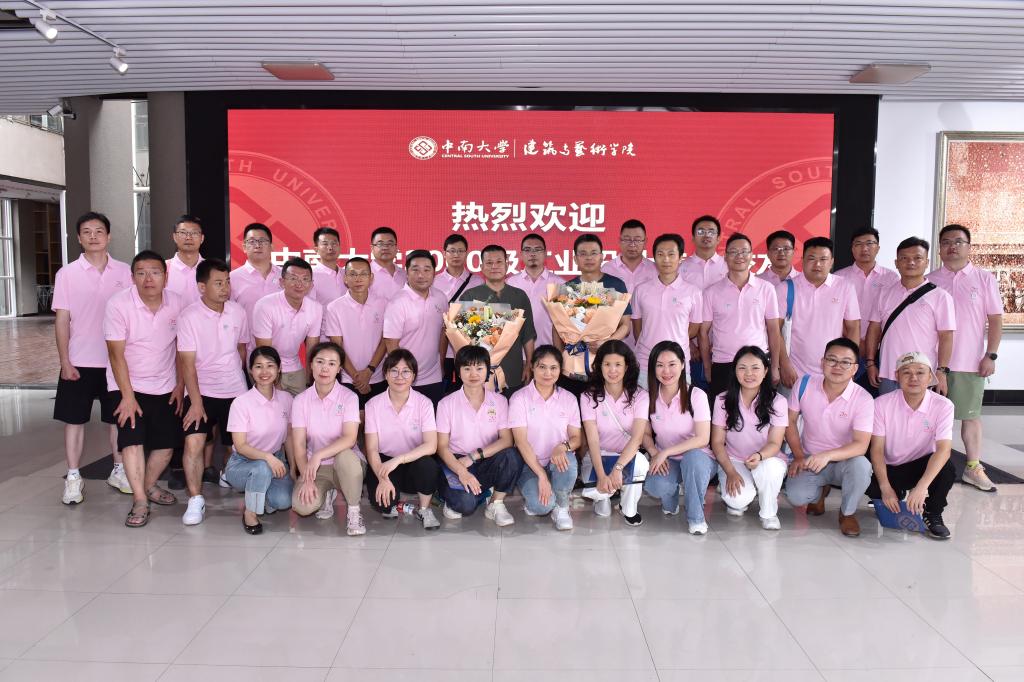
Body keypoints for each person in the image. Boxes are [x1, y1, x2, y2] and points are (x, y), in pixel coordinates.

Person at [52, 211, 133, 504]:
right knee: (74, 421)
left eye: (99, 231)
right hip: (79, 361)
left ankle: (119, 469)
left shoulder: (125, 272)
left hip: (116, 362)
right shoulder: (67, 274)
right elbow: (62, 320)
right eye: (87, 232)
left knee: (117, 421)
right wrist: (65, 361)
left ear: (108, 236)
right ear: (78, 238)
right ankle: (73, 477)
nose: (93, 236)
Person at [104, 250, 186, 528]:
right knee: (132, 441)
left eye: (155, 272)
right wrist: (127, 397)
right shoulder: (118, 304)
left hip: (165, 384)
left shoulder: (177, 303)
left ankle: (149, 485)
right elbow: (115, 354)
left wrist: (180, 384)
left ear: (166, 276)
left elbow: (182, 348)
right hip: (126, 385)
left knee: (165, 446)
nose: (148, 279)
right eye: (141, 273)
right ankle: (139, 500)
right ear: (132, 277)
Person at [928, 224, 1003, 492]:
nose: (952, 247)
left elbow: (995, 320)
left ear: (969, 247)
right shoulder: (929, 280)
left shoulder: (984, 279)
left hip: (969, 362)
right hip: (931, 363)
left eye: (958, 241)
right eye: (946, 242)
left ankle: (973, 467)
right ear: (939, 248)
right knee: (928, 419)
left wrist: (990, 355)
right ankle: (928, 468)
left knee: (970, 417)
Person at [177, 259, 249, 526]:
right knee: (194, 443)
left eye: (227, 282)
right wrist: (196, 403)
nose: (225, 288)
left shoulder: (238, 312)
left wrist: (236, 378)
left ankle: (228, 475)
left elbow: (242, 349)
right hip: (202, 391)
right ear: (201, 287)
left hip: (235, 390)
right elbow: (187, 364)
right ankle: (195, 499)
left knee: (236, 445)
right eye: (218, 283)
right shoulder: (188, 317)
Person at [783, 337, 874, 537]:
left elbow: (861, 445)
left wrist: (827, 456)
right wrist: (798, 455)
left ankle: (847, 513)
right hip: (809, 458)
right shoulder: (804, 384)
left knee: (862, 466)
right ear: (822, 362)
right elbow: (789, 421)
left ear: (854, 368)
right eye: (832, 360)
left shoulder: (863, 399)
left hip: (845, 461)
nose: (837, 366)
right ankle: (820, 494)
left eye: (845, 362)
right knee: (797, 496)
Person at [865, 351, 956, 540]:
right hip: (888, 467)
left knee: (946, 467)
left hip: (919, 467)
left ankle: (933, 513)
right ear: (897, 376)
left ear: (930, 377)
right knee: (863, 474)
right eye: (906, 372)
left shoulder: (943, 406)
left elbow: (943, 449)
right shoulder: (881, 404)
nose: (913, 378)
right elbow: (877, 449)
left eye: (920, 372)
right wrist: (885, 487)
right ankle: (894, 493)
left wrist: (922, 487)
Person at [436, 346, 523, 525]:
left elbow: (507, 440)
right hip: (456, 462)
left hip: (484, 458)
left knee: (513, 455)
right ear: (459, 371)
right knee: (465, 505)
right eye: (467, 368)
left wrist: (474, 456)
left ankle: (496, 503)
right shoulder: (446, 403)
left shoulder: (499, 401)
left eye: (479, 368)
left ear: (488, 371)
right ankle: (460, 495)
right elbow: (441, 447)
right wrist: (462, 471)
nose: (473, 374)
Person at [291, 342, 366, 536]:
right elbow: (299, 445)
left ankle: (354, 511)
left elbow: (350, 438)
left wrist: (318, 455)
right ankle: (326, 493)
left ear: (339, 369)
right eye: (320, 362)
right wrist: (307, 478)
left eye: (332, 363)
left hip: (346, 463)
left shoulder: (349, 397)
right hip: (316, 468)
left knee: (345, 456)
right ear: (311, 365)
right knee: (302, 506)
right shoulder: (300, 401)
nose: (325, 368)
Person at [865, 237, 956, 396]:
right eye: (904, 258)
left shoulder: (940, 296)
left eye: (917, 258)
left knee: (920, 412)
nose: (911, 262)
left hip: (921, 374)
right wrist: (871, 363)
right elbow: (874, 329)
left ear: (927, 262)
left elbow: (946, 337)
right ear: (896, 263)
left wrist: (942, 371)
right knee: (888, 411)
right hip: (889, 373)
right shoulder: (884, 294)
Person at [710, 346, 788, 530]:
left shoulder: (778, 401)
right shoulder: (722, 400)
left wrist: (759, 456)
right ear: (735, 371)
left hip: (766, 458)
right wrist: (730, 472)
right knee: (737, 501)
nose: (749, 374)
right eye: (742, 368)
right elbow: (717, 442)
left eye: (755, 368)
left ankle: (768, 513)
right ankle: (743, 489)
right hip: (734, 460)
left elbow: (775, 442)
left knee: (770, 469)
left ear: (765, 371)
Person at [363, 349, 442, 530]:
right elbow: (372, 449)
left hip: (414, 461)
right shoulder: (373, 405)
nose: (400, 377)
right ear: (385, 374)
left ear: (413, 376)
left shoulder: (424, 403)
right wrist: (382, 478)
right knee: (383, 504)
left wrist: (399, 459)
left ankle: (424, 508)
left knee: (428, 465)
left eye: (406, 371)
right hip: (385, 462)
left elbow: (431, 445)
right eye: (394, 371)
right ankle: (396, 501)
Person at [641, 340, 713, 534]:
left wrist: (665, 452)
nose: (666, 371)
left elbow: (702, 438)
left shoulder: (696, 395)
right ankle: (671, 497)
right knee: (655, 486)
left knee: (693, 459)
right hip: (667, 459)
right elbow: (645, 433)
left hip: (698, 458)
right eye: (660, 365)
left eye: (672, 364)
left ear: (682, 364)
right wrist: (655, 452)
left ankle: (696, 518)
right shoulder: (648, 397)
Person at [699, 233, 783, 399]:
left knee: (759, 411)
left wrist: (774, 367)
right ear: (725, 256)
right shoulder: (711, 292)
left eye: (744, 251)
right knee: (722, 412)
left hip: (757, 363)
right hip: (723, 363)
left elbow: (774, 329)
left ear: (751, 255)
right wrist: (708, 368)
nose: (739, 256)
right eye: (733, 252)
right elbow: (703, 332)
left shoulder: (766, 288)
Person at [509, 345, 582, 531]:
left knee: (568, 461)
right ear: (532, 367)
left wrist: (562, 447)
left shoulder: (569, 399)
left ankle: (562, 507)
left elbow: (576, 438)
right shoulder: (519, 398)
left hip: (557, 461)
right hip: (529, 465)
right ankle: (545, 496)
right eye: (542, 367)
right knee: (541, 507)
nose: (548, 373)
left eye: (553, 368)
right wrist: (541, 475)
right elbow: (521, 442)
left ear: (560, 370)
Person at [224, 346, 295, 535]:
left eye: (270, 366)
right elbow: (240, 446)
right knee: (262, 467)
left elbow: (289, 437)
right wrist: (267, 457)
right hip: (243, 463)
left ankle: (258, 495)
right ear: (250, 370)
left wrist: (293, 468)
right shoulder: (241, 403)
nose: (264, 372)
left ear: (279, 369)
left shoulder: (286, 399)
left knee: (284, 501)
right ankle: (250, 512)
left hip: (277, 459)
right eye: (258, 366)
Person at [774, 237, 860, 392]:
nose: (817, 264)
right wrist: (784, 364)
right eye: (812, 258)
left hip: (834, 372)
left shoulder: (845, 287)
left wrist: (850, 366)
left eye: (823, 259)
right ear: (802, 260)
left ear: (831, 262)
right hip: (794, 372)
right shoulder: (785, 288)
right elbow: (775, 329)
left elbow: (853, 327)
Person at [579, 340, 650, 526]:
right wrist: (602, 475)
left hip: (626, 457)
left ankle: (629, 508)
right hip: (598, 456)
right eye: (607, 364)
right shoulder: (588, 396)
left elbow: (637, 438)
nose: (612, 370)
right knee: (602, 509)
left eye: (618, 364)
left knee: (641, 463)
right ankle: (604, 494)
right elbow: (593, 440)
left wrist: (618, 468)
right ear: (599, 366)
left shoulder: (640, 396)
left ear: (626, 367)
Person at [554, 234, 632, 396]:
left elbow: (626, 325)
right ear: (575, 258)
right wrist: (559, 358)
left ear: (602, 256)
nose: (589, 258)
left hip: (606, 364)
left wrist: (606, 342)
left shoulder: (616, 285)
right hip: (572, 365)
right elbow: (557, 327)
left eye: (593, 253)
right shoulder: (567, 288)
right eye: (583, 254)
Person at [460, 244, 537, 395]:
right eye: (489, 263)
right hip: (480, 374)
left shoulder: (519, 296)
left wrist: (529, 363)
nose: (494, 266)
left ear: (507, 265)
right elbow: (463, 338)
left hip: (513, 371)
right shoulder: (469, 296)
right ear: (481, 267)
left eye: (499, 262)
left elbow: (528, 335)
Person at [631, 233, 703, 386]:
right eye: (660, 254)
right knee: (643, 401)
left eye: (671, 254)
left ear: (680, 257)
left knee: (679, 401)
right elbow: (637, 328)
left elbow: (694, 328)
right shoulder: (641, 290)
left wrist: (675, 336)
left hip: (678, 363)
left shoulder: (693, 292)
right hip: (645, 363)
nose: (666, 259)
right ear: (654, 257)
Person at [834, 227, 900, 389]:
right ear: (852, 249)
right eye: (858, 244)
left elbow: (892, 315)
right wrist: (855, 340)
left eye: (870, 243)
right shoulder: (839, 277)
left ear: (878, 247)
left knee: (876, 396)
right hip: (845, 347)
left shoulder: (891, 277)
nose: (864, 248)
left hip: (879, 350)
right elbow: (834, 313)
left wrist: (871, 343)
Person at [382, 249, 449, 406]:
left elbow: (443, 333)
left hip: (433, 376)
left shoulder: (440, 298)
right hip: (405, 379)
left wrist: (441, 364)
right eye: (415, 269)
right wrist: (401, 374)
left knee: (433, 419)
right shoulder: (397, 302)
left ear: (434, 272)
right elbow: (391, 344)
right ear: (407, 272)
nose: (421, 275)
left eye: (427, 270)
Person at [252, 257, 323, 396]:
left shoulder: (316, 308)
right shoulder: (265, 306)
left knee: (302, 404)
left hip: (294, 366)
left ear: (311, 285)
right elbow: (264, 350)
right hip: (266, 366)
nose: (299, 284)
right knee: (274, 405)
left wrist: (310, 379)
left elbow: (312, 348)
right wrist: (274, 381)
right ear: (282, 282)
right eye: (293, 278)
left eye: (305, 279)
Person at [324, 257, 387, 408]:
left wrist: (369, 371)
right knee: (350, 421)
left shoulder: (384, 304)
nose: (358, 279)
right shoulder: (334, 308)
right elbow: (337, 347)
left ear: (371, 278)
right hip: (349, 379)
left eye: (363, 274)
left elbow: (386, 341)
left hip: (379, 376)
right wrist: (357, 377)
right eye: (353, 274)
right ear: (345, 278)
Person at [679, 214, 728, 392]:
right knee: (693, 397)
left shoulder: (728, 266)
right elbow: (675, 309)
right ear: (692, 237)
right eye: (701, 231)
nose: (706, 235)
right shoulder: (681, 268)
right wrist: (689, 343)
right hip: (690, 348)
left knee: (722, 399)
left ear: (719, 237)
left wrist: (721, 343)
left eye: (711, 231)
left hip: (723, 348)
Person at [602, 219, 658, 352]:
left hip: (648, 340)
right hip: (614, 340)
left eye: (637, 240)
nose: (632, 244)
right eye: (627, 239)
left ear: (645, 242)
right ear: (619, 241)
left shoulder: (655, 270)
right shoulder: (607, 269)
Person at [436, 234, 484, 387]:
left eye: (460, 251)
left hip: (468, 350)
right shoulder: (434, 281)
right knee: (441, 393)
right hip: (439, 350)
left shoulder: (478, 282)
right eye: (451, 251)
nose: (456, 255)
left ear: (466, 253)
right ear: (444, 253)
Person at [508, 233, 565, 349]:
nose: (532, 254)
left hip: (549, 351)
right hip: (517, 352)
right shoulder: (510, 283)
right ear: (521, 254)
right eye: (527, 250)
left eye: (537, 249)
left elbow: (564, 323)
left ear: (545, 253)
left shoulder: (559, 283)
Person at [230, 222, 282, 327]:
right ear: (244, 247)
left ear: (271, 247)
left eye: (262, 241)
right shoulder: (232, 278)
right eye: (252, 241)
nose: (258, 245)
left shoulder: (285, 276)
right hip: (247, 337)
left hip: (281, 337)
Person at [164, 214, 205, 307]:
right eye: (183, 233)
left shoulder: (212, 270)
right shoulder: (163, 269)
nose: (188, 237)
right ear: (174, 237)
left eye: (194, 233)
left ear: (202, 238)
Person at [310, 226, 347, 306]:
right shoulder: (310, 276)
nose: (330, 248)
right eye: (325, 244)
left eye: (334, 243)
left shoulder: (347, 274)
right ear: (316, 249)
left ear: (339, 247)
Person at [368, 226, 406, 299]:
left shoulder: (404, 274)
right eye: (380, 244)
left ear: (396, 248)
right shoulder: (365, 274)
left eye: (390, 244)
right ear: (372, 248)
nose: (385, 248)